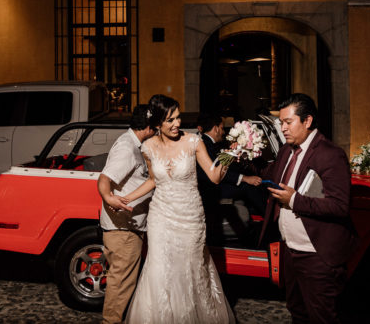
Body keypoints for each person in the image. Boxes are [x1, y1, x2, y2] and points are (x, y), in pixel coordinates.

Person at [121, 94, 236, 323]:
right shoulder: (147, 147)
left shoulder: (193, 141)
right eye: (170, 120)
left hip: (190, 218)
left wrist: (229, 154)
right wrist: (127, 199)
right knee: (159, 271)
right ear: (157, 124)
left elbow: (214, 177)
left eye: (177, 117)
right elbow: (153, 180)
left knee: (189, 271)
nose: (177, 124)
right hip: (161, 216)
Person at [259, 93, 355, 324]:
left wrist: (294, 200)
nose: (283, 128)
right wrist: (245, 156)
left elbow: (340, 206)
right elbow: (267, 175)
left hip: (317, 255)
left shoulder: (330, 154)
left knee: (322, 317)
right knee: (297, 312)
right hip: (291, 251)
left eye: (288, 122)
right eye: (281, 122)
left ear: (307, 121)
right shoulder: (286, 151)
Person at [96, 105, 156, 324]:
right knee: (120, 284)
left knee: (123, 282)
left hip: (130, 226)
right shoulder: (127, 147)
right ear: (149, 128)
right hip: (122, 229)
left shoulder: (134, 144)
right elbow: (105, 178)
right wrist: (108, 197)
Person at [196, 113, 267, 241]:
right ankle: (268, 220)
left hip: (216, 183)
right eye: (222, 128)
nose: (223, 132)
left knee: (251, 183)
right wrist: (245, 178)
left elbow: (223, 164)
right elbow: (216, 170)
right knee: (248, 187)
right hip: (211, 188)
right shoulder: (205, 144)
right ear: (216, 128)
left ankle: (258, 221)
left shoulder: (211, 143)